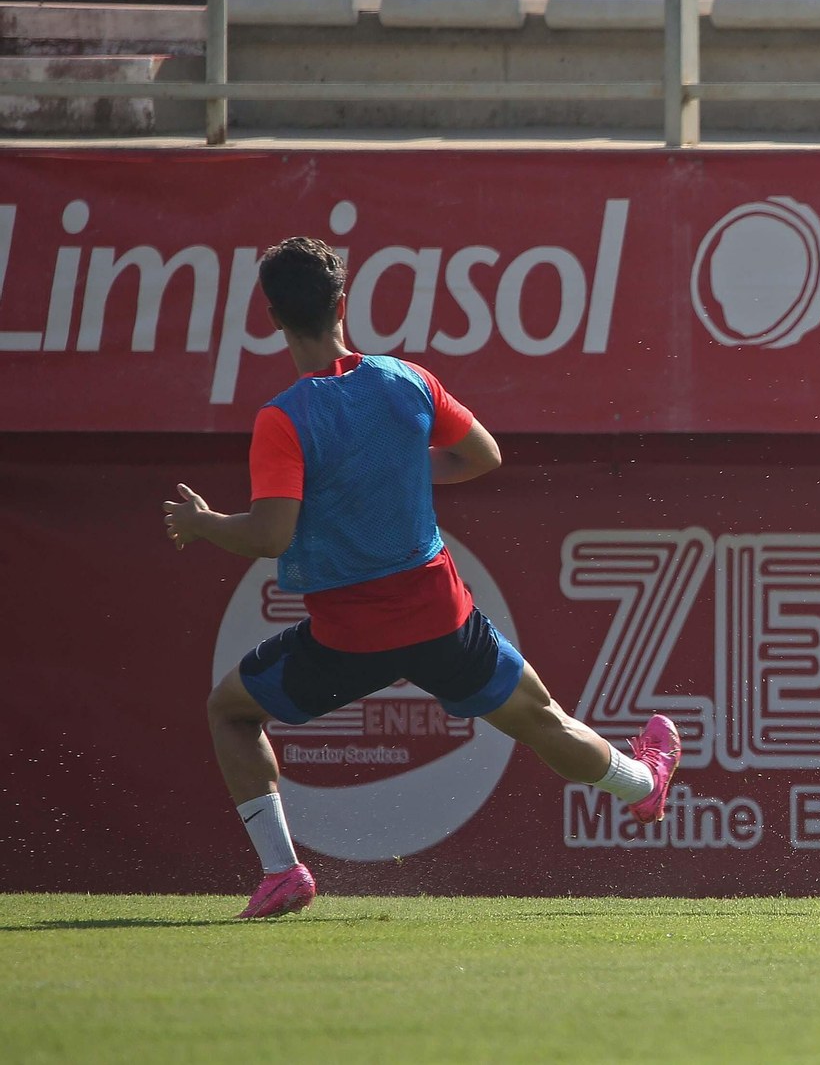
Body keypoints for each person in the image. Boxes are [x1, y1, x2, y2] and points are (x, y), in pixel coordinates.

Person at [163, 237, 680, 919]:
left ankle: (282, 871)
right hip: (440, 621)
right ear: (343, 304)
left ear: (272, 318)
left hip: (345, 638)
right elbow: (483, 456)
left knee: (231, 712)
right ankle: (642, 783)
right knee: (544, 721)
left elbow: (269, 536)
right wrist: (401, 467)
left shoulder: (283, 418)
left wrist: (203, 524)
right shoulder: (405, 380)